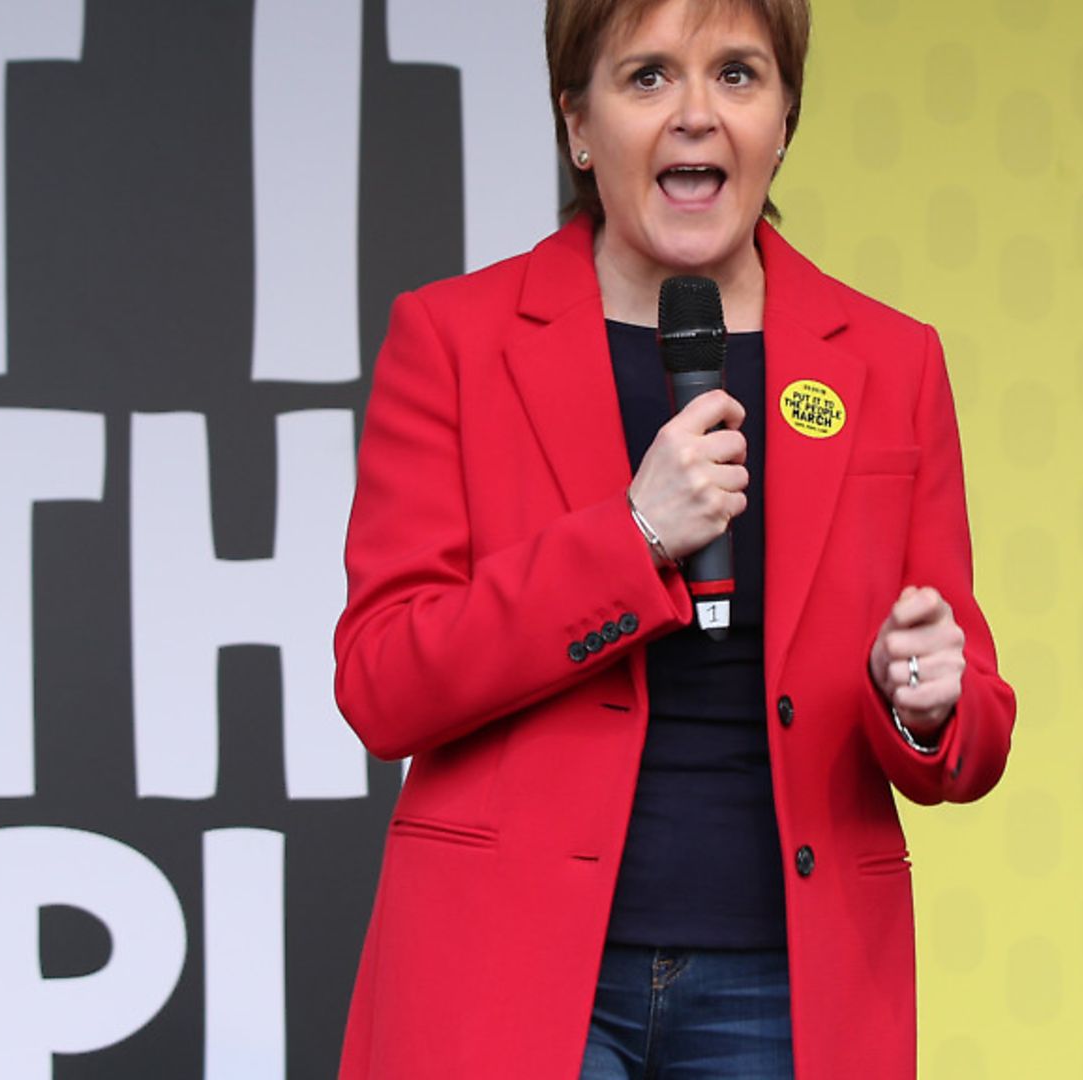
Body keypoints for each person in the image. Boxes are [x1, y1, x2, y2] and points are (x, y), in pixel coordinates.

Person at [331, 0, 1016, 1075]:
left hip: (788, 983)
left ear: (784, 117)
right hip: (512, 967)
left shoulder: (890, 361)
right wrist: (635, 532)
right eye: (648, 76)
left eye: (737, 75)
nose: (697, 114)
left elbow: (968, 720)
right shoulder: (455, 341)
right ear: (577, 122)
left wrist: (929, 697)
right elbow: (383, 682)